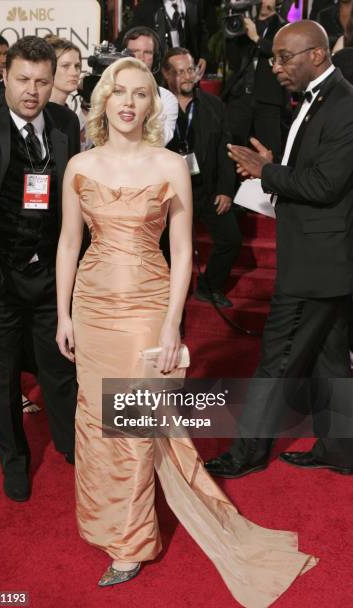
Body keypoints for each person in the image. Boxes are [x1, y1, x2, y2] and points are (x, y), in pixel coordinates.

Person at [56, 55, 317, 608]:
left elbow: (181, 252)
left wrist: (174, 322)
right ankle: (108, 524)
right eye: (119, 92)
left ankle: (130, 542)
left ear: (155, 103)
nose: (128, 102)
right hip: (93, 304)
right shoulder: (79, 163)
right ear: (105, 100)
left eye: (141, 93)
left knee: (132, 420)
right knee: (97, 416)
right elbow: (67, 243)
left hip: (147, 306)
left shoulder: (172, 165)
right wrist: (63, 313)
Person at [205, 20, 353, 479]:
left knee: (278, 356)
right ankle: (343, 449)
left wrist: (266, 173)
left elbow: (326, 184)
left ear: (317, 55)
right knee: (330, 358)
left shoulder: (345, 106)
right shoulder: (321, 102)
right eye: (272, 58)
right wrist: (273, 165)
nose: (276, 67)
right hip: (323, 258)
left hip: (316, 262)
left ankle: (246, 452)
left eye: (284, 58)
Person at [0, 36, 80, 502]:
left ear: (54, 82)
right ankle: (14, 461)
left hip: (49, 273)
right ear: (3, 77)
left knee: (60, 366)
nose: (32, 90)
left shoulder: (65, 122)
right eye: (23, 79)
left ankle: (72, 446)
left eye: (42, 81)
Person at [162, 47, 241, 307]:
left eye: (190, 69)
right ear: (165, 74)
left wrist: (226, 190)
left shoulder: (213, 105)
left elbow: (225, 149)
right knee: (165, 248)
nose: (187, 76)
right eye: (179, 71)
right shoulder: (157, 107)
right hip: (169, 194)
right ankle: (168, 299)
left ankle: (208, 287)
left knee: (230, 239)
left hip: (206, 189)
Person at [222, 0, 287, 159]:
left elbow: (283, 54)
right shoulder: (244, 24)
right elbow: (234, 62)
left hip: (268, 99)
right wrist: (232, 35)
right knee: (233, 150)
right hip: (240, 97)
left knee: (269, 152)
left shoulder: (284, 27)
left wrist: (256, 38)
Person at [121, 25, 178, 144]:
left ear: (155, 58)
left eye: (147, 52)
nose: (140, 58)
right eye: (134, 52)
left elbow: (161, 141)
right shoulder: (108, 91)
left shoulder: (167, 99)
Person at [126, 0, 209, 78]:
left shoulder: (194, 4)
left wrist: (203, 56)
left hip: (188, 70)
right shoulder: (146, 7)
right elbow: (133, 36)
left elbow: (201, 30)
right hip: (160, 72)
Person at [44, 36, 82, 106]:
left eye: (77, 66)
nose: (74, 73)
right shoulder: (37, 113)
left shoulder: (69, 114)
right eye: (65, 66)